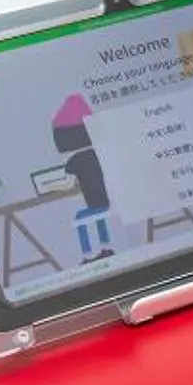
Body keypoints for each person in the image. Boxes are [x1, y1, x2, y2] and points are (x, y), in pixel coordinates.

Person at [50, 93, 115, 262]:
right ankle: (106, 249)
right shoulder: (95, 155)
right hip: (102, 202)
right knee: (99, 219)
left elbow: (67, 181)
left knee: (80, 219)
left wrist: (53, 186)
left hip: (97, 203)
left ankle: (87, 254)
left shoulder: (76, 160)